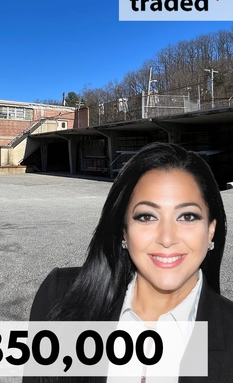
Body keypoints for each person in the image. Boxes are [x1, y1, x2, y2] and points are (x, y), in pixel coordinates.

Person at [24, 142, 233, 383]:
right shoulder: (59, 298)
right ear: (124, 230)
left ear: (210, 230)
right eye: (147, 216)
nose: (167, 239)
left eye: (187, 216)